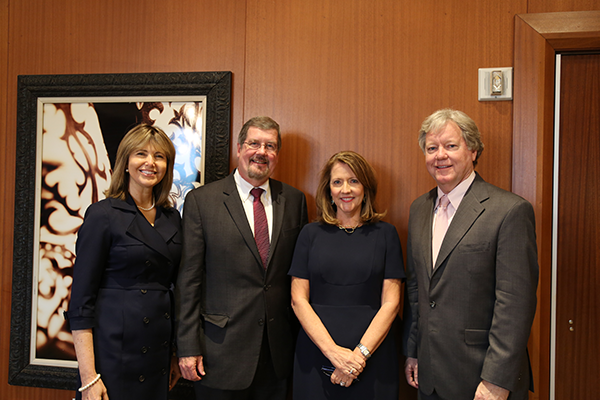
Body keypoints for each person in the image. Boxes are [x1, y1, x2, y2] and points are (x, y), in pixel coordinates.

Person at [403, 109, 539, 400]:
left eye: (451, 146)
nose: (440, 155)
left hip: (483, 379)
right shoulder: (418, 210)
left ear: (473, 150)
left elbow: (515, 304)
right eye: (431, 148)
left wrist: (496, 380)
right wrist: (413, 351)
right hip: (429, 377)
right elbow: (417, 291)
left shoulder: (509, 211)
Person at [175, 116, 308, 399]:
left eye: (270, 146)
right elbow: (189, 281)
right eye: (254, 143)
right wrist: (187, 347)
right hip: (218, 353)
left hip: (276, 354)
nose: (262, 152)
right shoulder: (203, 201)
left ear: (277, 155)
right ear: (238, 148)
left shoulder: (295, 200)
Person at [66, 124, 183, 400]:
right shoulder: (102, 215)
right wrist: (88, 378)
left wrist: (174, 354)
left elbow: (176, 290)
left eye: (160, 156)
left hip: (157, 354)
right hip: (113, 355)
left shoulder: (172, 218)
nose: (150, 163)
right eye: (141, 154)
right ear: (126, 163)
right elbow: (81, 303)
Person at [289, 151, 405, 399]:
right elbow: (298, 300)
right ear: (328, 190)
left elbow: (392, 302)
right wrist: (333, 354)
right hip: (315, 355)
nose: (346, 190)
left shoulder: (387, 234)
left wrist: (357, 357)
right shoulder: (309, 234)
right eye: (337, 182)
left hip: (373, 357)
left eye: (354, 181)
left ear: (366, 188)